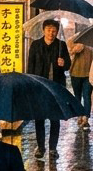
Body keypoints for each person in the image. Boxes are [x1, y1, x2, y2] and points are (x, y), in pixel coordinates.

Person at [25, 19, 69, 160]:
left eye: (54, 30)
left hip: (56, 87)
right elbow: (30, 66)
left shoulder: (61, 45)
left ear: (57, 32)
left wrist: (63, 63)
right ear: (43, 30)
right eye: (49, 30)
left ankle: (53, 148)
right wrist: (30, 84)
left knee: (55, 118)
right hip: (39, 86)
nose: (51, 33)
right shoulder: (36, 45)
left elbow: (68, 65)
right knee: (40, 118)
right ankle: (40, 147)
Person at [68, 40, 93, 128]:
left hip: (86, 74)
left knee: (85, 96)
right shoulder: (72, 42)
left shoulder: (91, 43)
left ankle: (84, 116)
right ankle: (81, 115)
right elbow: (69, 55)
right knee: (80, 96)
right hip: (77, 74)